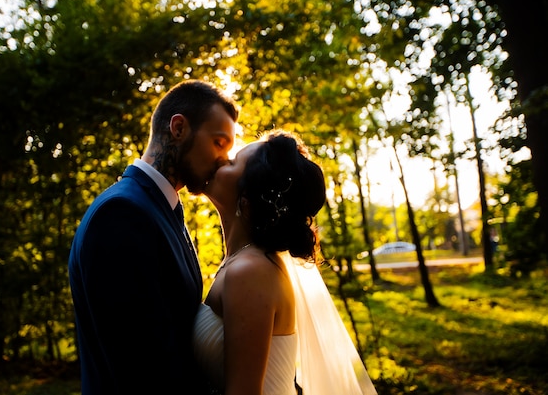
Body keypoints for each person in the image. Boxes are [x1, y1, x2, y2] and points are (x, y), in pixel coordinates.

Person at [68, 79, 239, 394]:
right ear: (178, 128)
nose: (223, 160)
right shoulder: (121, 214)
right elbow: (144, 369)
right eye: (218, 142)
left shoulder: (160, 207)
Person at [193, 129, 377, 395]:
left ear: (246, 200)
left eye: (232, 162)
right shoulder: (246, 262)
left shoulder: (251, 271)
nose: (221, 161)